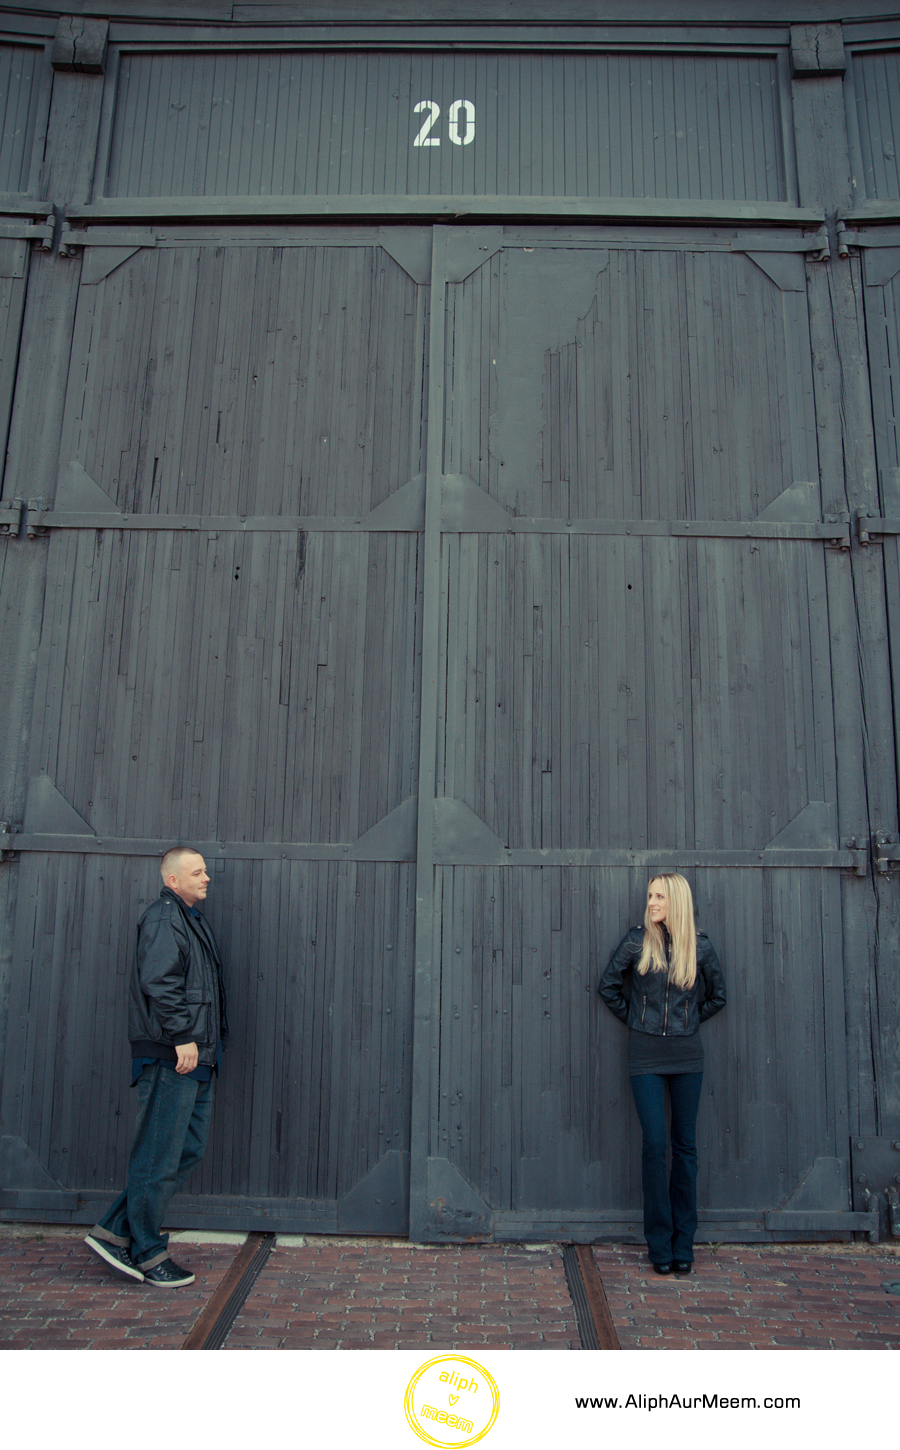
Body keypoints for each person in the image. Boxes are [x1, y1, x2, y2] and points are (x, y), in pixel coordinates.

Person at [84, 847, 228, 1288]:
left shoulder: (186, 917)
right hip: (174, 1054)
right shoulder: (165, 919)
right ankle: (147, 1251)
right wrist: (182, 1036)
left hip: (195, 1056)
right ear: (172, 879)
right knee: (158, 1154)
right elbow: (160, 981)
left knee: (185, 1149)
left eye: (205, 871)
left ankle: (114, 1232)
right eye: (196, 872)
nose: (206, 878)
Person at [598, 874, 725, 1275]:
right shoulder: (637, 941)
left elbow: (718, 996)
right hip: (645, 1056)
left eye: (658, 897)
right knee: (655, 1146)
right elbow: (607, 987)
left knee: (684, 1148)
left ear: (676, 902)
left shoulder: (699, 946)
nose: (651, 903)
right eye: (649, 896)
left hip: (687, 1056)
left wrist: (688, 1024)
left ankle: (683, 1243)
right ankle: (659, 1243)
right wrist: (638, 1022)